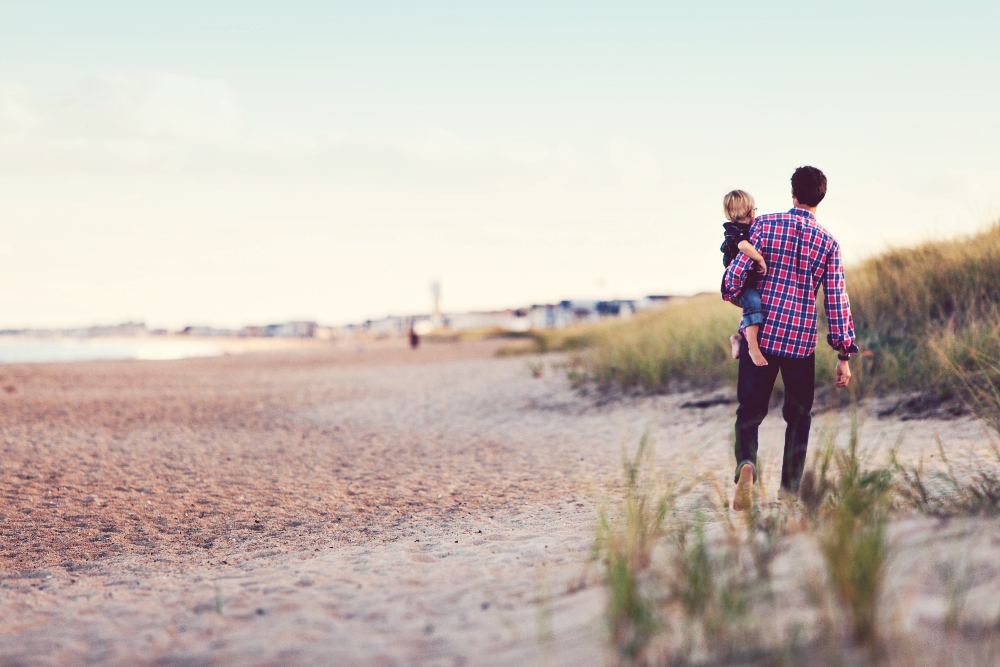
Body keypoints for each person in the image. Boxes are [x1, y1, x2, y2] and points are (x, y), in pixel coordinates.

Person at [723, 166, 858, 511]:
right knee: (798, 417)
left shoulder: (764, 225)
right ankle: (788, 493)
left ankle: (747, 465)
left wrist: (735, 291)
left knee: (749, 413)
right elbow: (836, 300)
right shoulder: (828, 243)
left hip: (762, 338)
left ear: (793, 193)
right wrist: (843, 355)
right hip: (800, 343)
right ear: (821, 197)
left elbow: (733, 278)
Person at [719, 190, 769, 367]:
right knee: (753, 302)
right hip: (737, 284)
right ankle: (752, 347)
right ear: (750, 212)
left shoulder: (744, 228)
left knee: (752, 306)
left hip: (746, 281)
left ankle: (738, 337)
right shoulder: (736, 231)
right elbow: (743, 246)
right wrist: (760, 258)